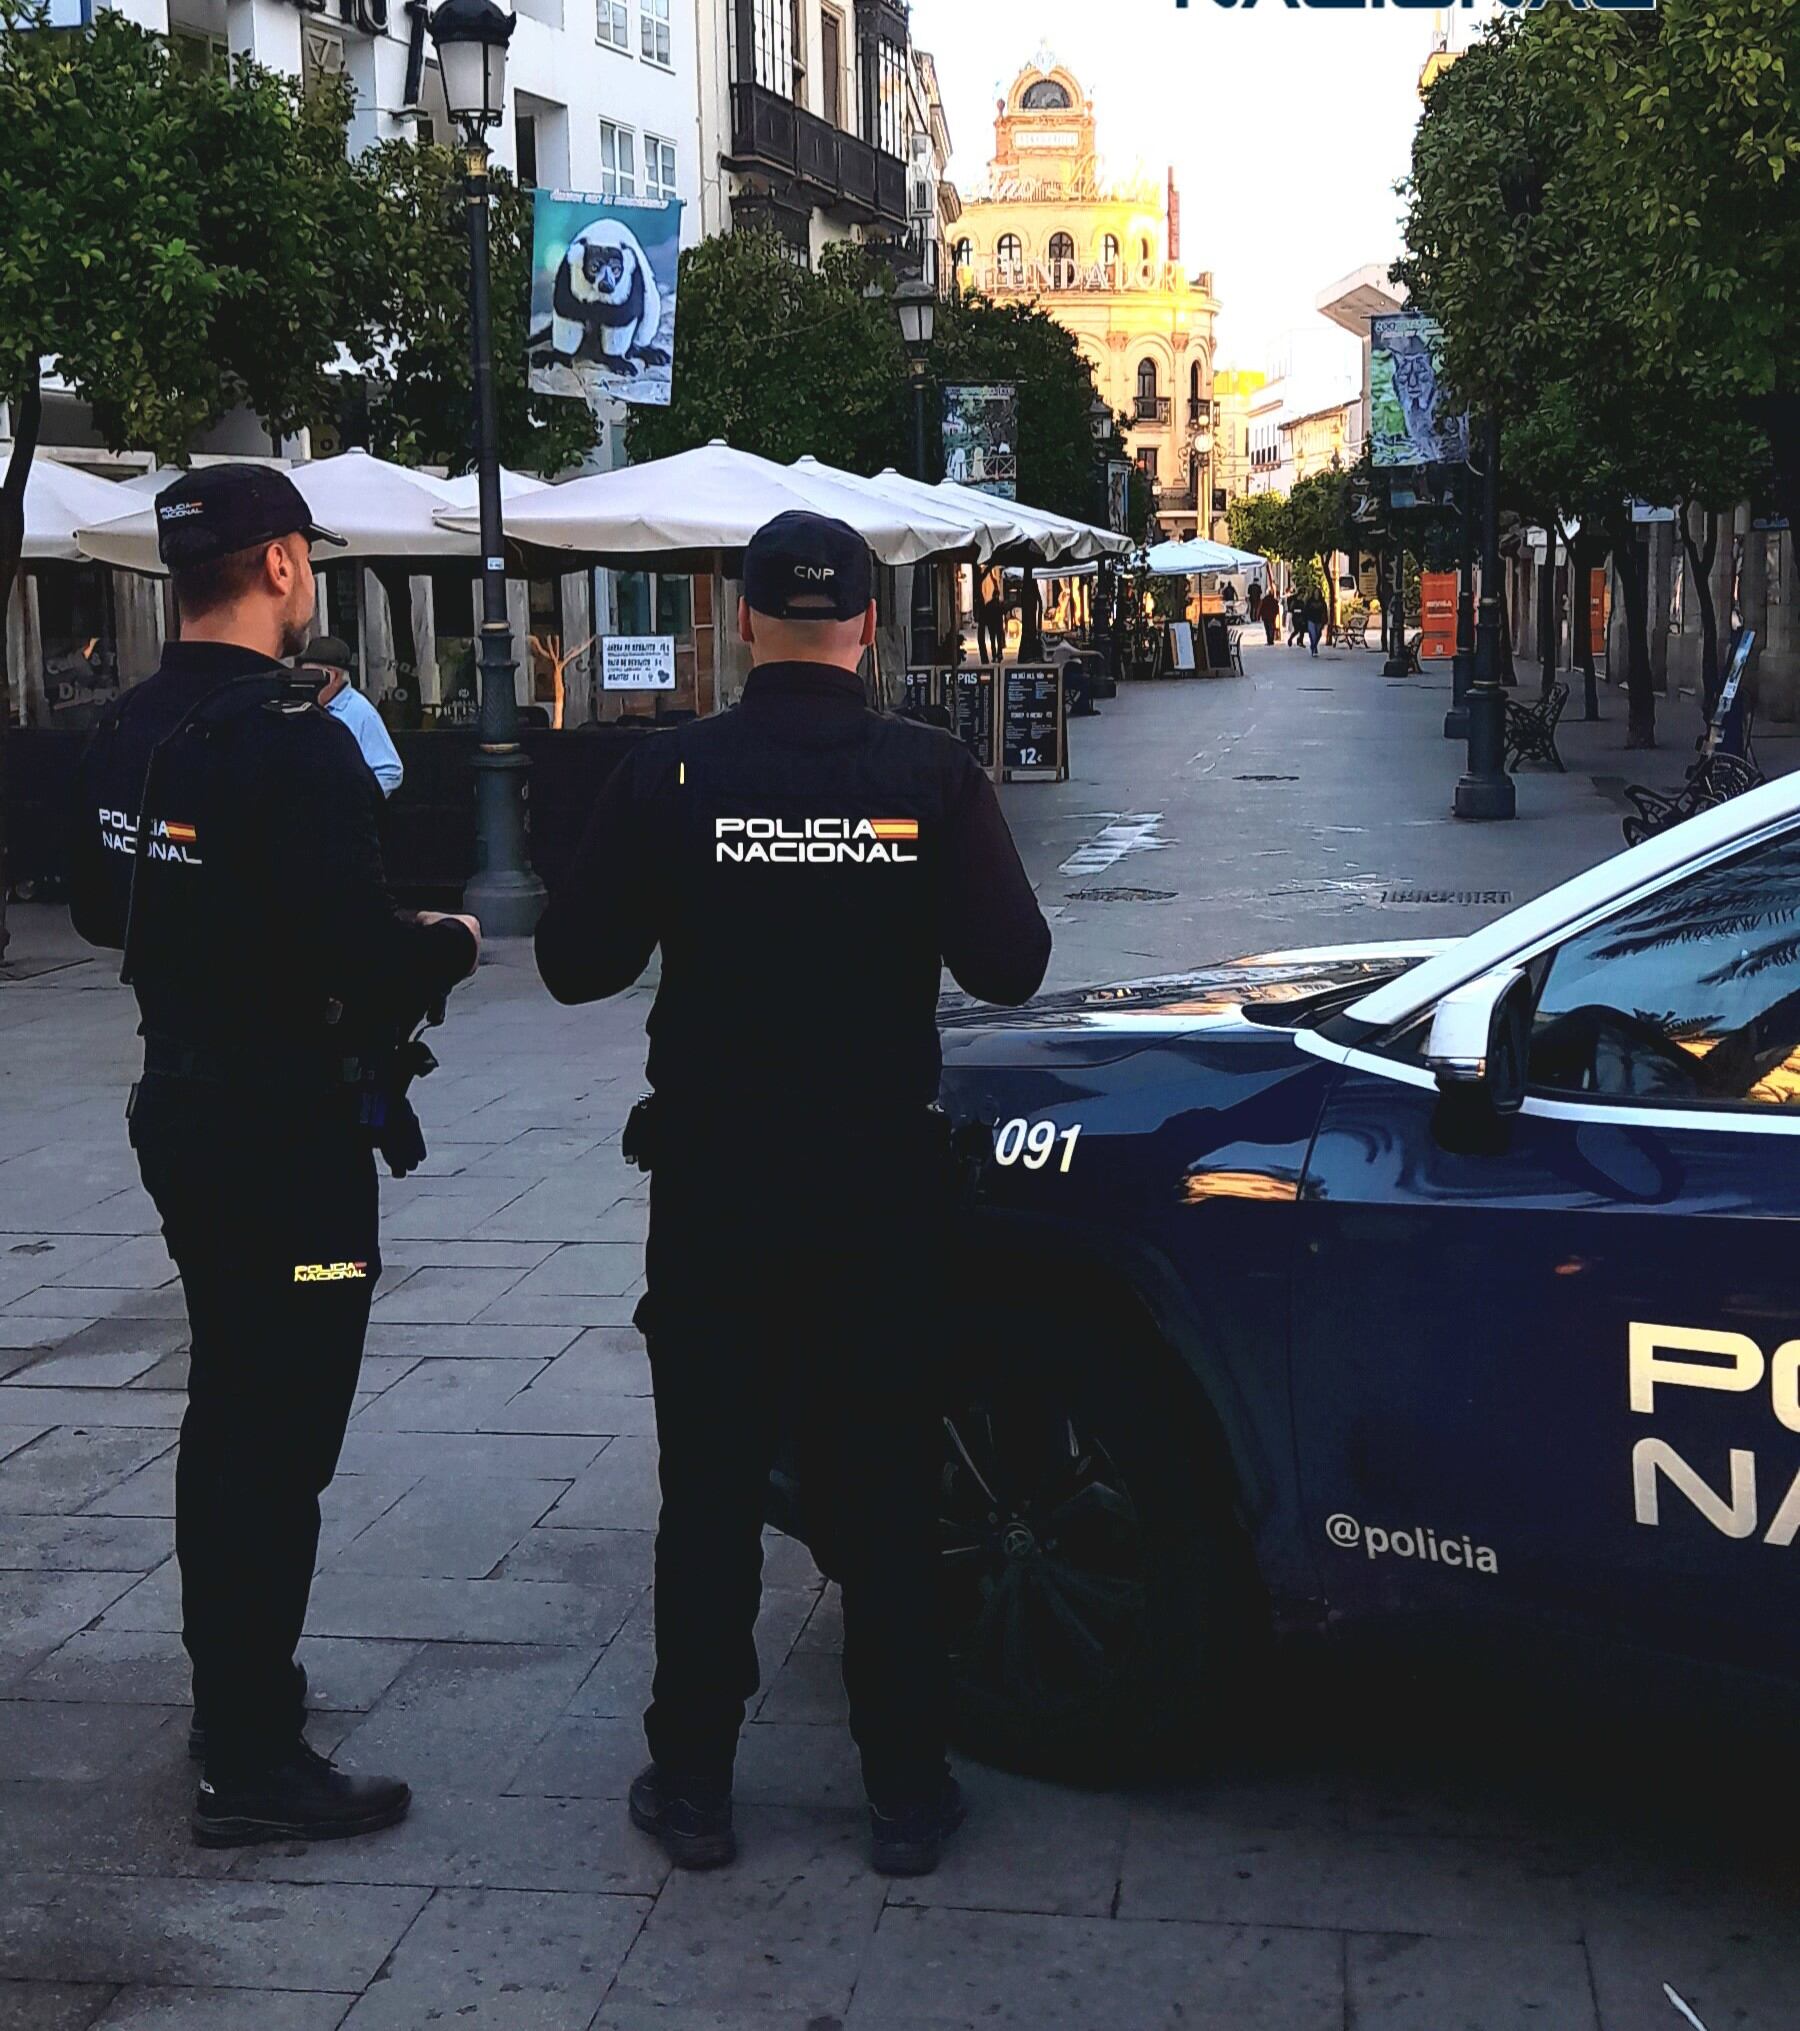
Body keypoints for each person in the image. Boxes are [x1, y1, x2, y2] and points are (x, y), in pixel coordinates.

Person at [536, 511, 1051, 1879]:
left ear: (745, 615)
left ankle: (694, 1780)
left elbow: (574, 963)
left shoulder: (670, 769)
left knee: (706, 1487)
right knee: (882, 1482)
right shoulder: (929, 772)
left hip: (714, 1184)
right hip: (877, 1185)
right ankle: (905, 1786)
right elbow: (1012, 964)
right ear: (869, 625)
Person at [68, 464, 481, 1848]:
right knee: (280, 1426)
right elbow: (362, 967)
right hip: (293, 1153)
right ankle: (250, 1754)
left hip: (180, 1115)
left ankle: (238, 1689)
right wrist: (451, 945)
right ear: (288, 567)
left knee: (228, 1406)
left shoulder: (130, 724)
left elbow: (92, 903)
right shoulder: (295, 743)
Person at [304, 636, 404, 798]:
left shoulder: (360, 712)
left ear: (334, 677)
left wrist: (356, 802)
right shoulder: (302, 704)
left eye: (312, 676)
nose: (307, 684)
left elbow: (390, 770)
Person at [1305, 590, 1328, 657]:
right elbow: (1306, 610)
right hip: (1311, 620)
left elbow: (1325, 611)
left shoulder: (1322, 602)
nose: (1316, 594)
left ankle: (1313, 646)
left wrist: (1325, 620)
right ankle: (1314, 648)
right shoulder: (1310, 601)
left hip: (1319, 620)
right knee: (1313, 634)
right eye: (1315, 593)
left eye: (1317, 593)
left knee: (1318, 634)